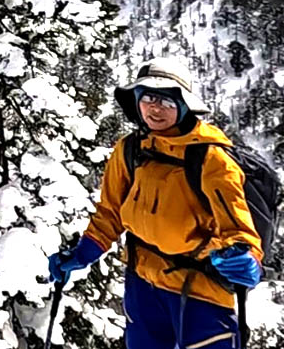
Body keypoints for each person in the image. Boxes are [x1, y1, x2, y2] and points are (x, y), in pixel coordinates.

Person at [48, 57, 263, 349]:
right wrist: (82, 254)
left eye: (167, 100)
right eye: (148, 97)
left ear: (184, 104)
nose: (155, 108)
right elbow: (110, 212)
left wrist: (247, 261)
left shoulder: (211, 159)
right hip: (142, 284)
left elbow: (239, 230)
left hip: (200, 291)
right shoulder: (130, 149)